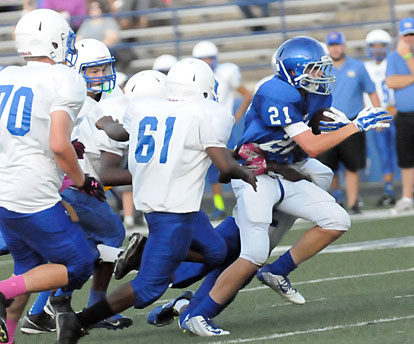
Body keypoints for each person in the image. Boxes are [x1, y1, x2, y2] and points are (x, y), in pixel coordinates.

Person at [177, 36, 391, 336]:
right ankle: (196, 314)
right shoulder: (275, 91)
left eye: (322, 69)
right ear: (293, 71)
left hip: (287, 167)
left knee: (336, 217)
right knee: (251, 253)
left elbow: (315, 118)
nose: (322, 76)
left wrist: (332, 118)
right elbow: (312, 145)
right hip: (256, 173)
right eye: (315, 70)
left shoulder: (314, 91)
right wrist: (354, 124)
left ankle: (277, 271)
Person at [55, 57, 257, 343]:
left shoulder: (145, 108)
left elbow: (129, 134)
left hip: (171, 204)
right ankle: (79, 322)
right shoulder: (204, 112)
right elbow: (224, 168)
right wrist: (245, 172)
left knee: (215, 252)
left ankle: (145, 251)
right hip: (172, 210)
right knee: (149, 288)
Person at [0, 9, 103, 344]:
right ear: (57, 41)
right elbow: (59, 145)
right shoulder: (64, 78)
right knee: (79, 264)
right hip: (31, 193)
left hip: (5, 189)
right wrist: (81, 180)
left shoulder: (6, 74)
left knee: (26, 272)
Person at [19, 38, 134, 337]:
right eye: (92, 70)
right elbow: (113, 133)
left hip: (48, 183)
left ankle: (38, 313)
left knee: (57, 249)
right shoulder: (74, 97)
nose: (100, 76)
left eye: (103, 68)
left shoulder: (65, 96)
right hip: (72, 184)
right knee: (111, 236)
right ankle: (71, 304)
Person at [318, 31, 381, 214]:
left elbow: (371, 90)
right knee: (329, 166)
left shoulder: (357, 67)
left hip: (352, 121)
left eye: (337, 45)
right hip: (327, 123)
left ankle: (353, 202)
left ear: (344, 46)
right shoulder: (321, 68)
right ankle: (337, 198)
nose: (335, 48)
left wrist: (377, 114)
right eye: (332, 45)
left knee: (353, 165)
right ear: (328, 47)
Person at [192, 40, 252, 220]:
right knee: (211, 171)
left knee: (235, 165)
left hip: (224, 129)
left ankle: (248, 202)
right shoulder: (193, 78)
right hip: (204, 128)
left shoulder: (227, 73)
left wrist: (236, 116)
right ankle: (219, 206)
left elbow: (247, 94)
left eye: (211, 57)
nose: (208, 62)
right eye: (204, 58)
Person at [364, 29, 397, 206]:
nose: (377, 50)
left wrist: (392, 112)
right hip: (378, 118)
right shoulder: (366, 67)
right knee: (385, 156)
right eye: (374, 46)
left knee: (407, 154)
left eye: (381, 46)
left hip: (397, 115)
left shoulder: (394, 64)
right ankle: (389, 191)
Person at [386, 17, 414, 213]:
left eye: (412, 34)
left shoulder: (402, 57)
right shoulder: (393, 57)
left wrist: (407, 58)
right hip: (404, 115)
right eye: (406, 35)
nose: (409, 39)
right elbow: (391, 82)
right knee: (406, 159)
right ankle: (406, 197)